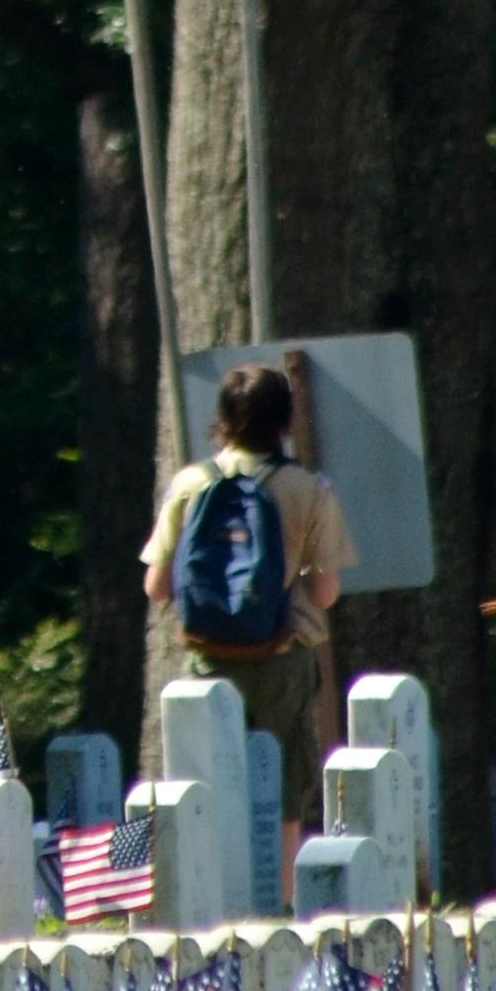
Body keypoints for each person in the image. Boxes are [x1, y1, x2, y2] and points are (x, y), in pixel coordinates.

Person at [143, 358, 355, 890]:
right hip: (284, 657)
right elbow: (325, 591)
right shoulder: (308, 490)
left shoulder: (192, 484)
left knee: (209, 784)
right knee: (283, 788)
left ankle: (211, 896)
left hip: (209, 659)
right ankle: (279, 898)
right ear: (284, 419)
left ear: (223, 418)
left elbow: (157, 586)